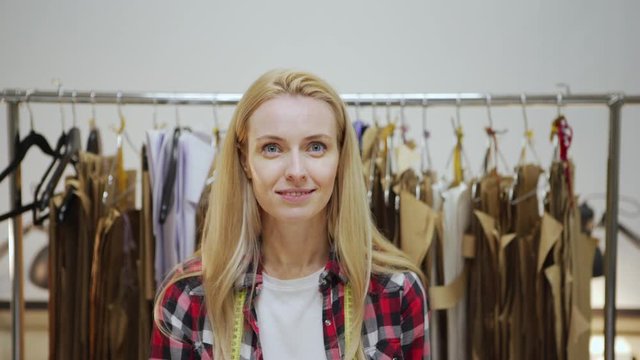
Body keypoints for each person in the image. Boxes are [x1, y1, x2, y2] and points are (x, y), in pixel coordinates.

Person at [150, 69, 430, 359]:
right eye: (272, 148)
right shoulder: (187, 296)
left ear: (340, 157)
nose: (296, 171)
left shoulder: (396, 291)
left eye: (316, 147)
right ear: (245, 160)